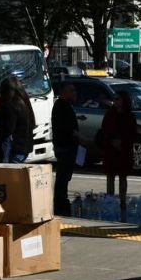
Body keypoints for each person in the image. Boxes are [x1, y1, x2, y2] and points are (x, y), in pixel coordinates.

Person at [99, 90, 137, 221]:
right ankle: (110, 199)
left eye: (118, 99)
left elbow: (132, 133)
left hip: (124, 150)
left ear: (124, 100)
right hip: (111, 149)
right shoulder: (110, 114)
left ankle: (122, 201)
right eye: (115, 99)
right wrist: (112, 141)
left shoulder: (129, 116)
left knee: (123, 176)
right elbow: (105, 130)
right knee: (110, 176)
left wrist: (122, 141)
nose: (116, 102)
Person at [51, 82, 80, 216]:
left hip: (68, 146)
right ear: (64, 92)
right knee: (63, 176)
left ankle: (61, 201)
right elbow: (66, 128)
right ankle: (60, 202)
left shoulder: (66, 106)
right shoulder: (61, 106)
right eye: (71, 90)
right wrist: (78, 136)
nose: (74, 93)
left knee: (65, 176)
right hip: (64, 146)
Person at [0, 76, 34, 164]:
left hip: (14, 149)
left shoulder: (9, 105)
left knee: (10, 176)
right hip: (25, 148)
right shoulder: (25, 102)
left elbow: (7, 130)